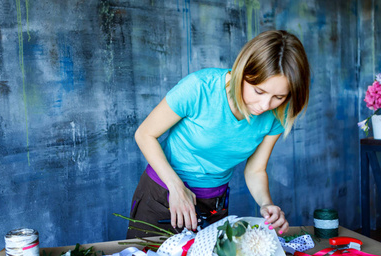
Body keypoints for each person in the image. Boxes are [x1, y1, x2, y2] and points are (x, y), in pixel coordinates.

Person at [126, 30, 310, 239]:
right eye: (259, 91)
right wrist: (176, 187)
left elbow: (256, 170)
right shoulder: (199, 88)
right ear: (242, 71)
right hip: (163, 194)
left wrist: (266, 203)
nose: (265, 105)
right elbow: (144, 134)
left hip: (213, 203)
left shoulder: (278, 113)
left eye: (279, 96)